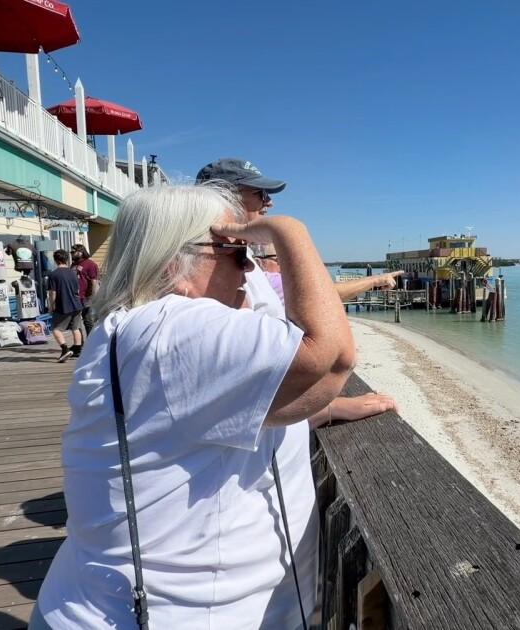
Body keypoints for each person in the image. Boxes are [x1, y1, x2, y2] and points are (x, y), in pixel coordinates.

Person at [32, 184, 357, 629]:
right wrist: (288, 232)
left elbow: (224, 418)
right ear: (174, 263)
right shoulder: (173, 331)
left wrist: (326, 411)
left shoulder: (137, 331)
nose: (250, 265)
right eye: (234, 250)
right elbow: (332, 356)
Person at [196, 158, 396, 422]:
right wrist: (288, 231)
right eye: (261, 194)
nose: (269, 202)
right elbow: (337, 357)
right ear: (226, 198)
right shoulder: (208, 275)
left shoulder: (241, 265)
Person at [45, 249, 84, 362]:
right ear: (67, 259)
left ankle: (65, 349)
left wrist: (51, 306)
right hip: (76, 304)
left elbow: (52, 292)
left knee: (56, 329)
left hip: (63, 304)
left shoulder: (54, 274)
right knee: (76, 328)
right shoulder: (73, 273)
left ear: (56, 260)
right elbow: (77, 289)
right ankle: (77, 348)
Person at [70, 243, 100, 334]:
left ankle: (91, 342)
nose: (71, 253)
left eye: (73, 252)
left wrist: (92, 297)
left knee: (88, 321)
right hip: (75, 297)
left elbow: (94, 282)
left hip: (86, 297)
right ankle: (79, 344)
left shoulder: (90, 264)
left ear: (81, 252)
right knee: (75, 323)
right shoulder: (73, 264)